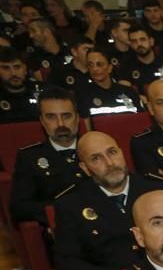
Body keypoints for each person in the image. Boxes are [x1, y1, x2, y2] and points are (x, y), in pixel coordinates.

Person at [53, 131, 163, 270]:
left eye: (112, 152)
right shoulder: (71, 205)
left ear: (121, 152)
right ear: (85, 168)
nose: (109, 163)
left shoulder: (158, 189)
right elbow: (67, 265)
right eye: (96, 158)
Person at [9, 87, 86, 225]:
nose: (60, 124)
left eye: (66, 116)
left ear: (77, 118)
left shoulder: (94, 147)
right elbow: (19, 208)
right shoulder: (29, 157)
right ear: (42, 121)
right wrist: (62, 209)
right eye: (51, 117)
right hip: (63, 229)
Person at [77, 49, 140, 117]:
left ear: (110, 68)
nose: (95, 69)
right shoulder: (83, 95)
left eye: (99, 64)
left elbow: (141, 118)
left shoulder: (128, 92)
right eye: (90, 65)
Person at [0, 45, 41, 122]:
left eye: (17, 67)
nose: (13, 73)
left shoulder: (41, 91)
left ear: (25, 69)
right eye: (6, 68)